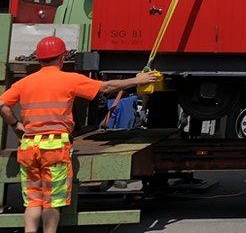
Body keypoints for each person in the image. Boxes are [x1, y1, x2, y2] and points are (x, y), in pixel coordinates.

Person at [0, 36, 160, 233]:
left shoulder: (25, 83)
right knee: (51, 202)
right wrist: (138, 80)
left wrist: (16, 124)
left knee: (33, 201)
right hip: (54, 148)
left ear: (39, 58)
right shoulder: (69, 79)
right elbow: (106, 87)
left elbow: (2, 105)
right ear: (62, 57)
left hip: (29, 147)